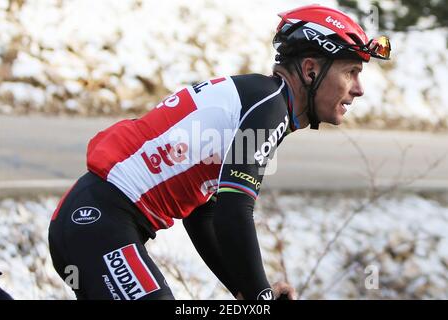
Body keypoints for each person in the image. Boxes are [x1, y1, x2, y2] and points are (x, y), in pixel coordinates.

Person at [48, 4, 390, 300]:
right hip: (100, 222)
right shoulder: (269, 107)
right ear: (311, 69)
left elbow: (203, 212)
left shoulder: (262, 101)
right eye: (351, 72)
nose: (359, 90)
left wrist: (246, 291)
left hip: (90, 223)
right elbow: (234, 211)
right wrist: (259, 296)